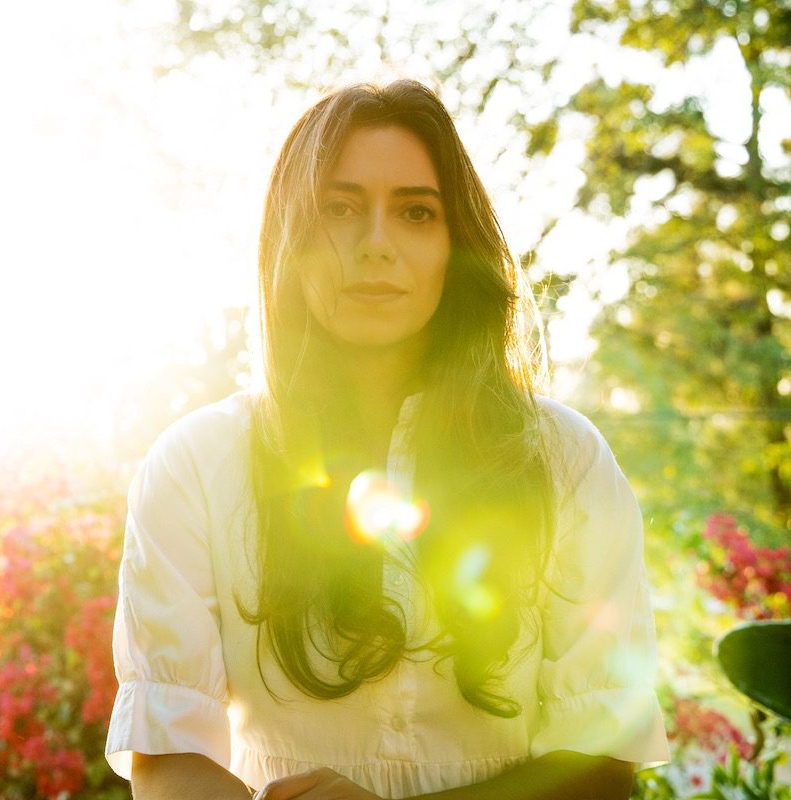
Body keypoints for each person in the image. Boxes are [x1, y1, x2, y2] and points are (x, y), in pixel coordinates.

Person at [104, 79, 669, 799]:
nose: (375, 245)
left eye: (415, 212)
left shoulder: (565, 457)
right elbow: (167, 756)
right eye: (340, 209)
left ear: (454, 244)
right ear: (290, 241)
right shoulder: (193, 465)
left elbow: (602, 763)